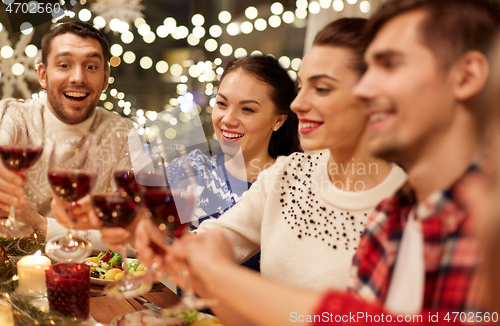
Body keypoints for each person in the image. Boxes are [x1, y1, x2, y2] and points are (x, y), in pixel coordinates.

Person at [136, 18, 406, 324]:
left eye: (321, 88)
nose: (298, 104)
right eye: (302, 86)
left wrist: (213, 271)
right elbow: (222, 235)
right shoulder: (288, 172)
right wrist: (173, 246)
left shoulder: (411, 206)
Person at [0, 21, 132, 250]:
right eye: (64, 65)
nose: (78, 78)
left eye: (91, 67)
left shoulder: (123, 133)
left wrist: (42, 226)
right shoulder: (10, 116)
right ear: (42, 75)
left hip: (88, 277)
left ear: (105, 77)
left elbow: (136, 236)